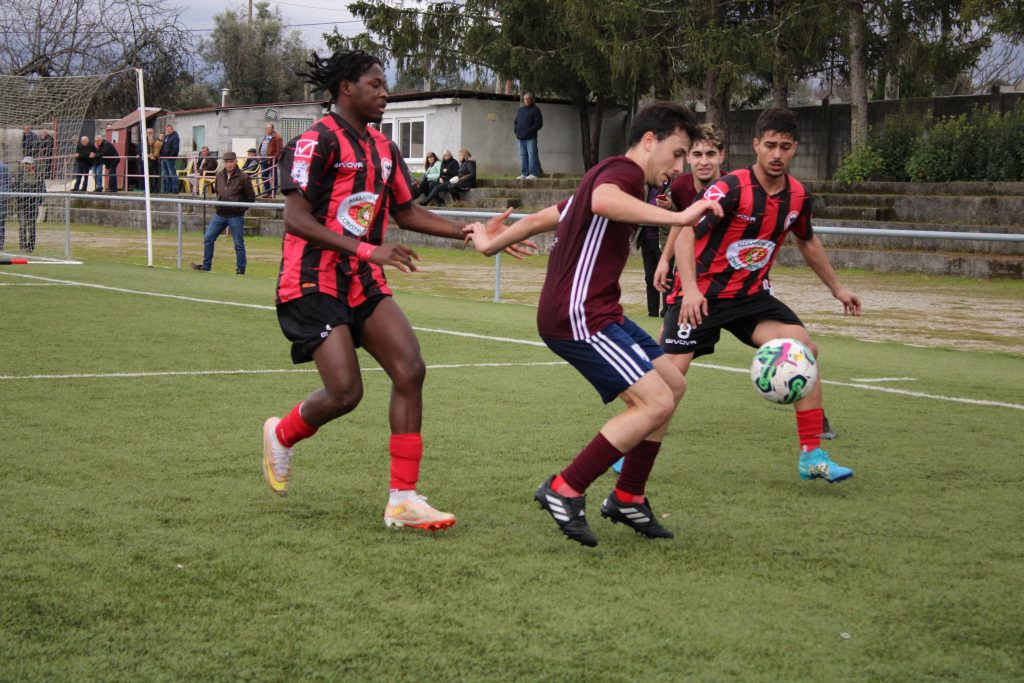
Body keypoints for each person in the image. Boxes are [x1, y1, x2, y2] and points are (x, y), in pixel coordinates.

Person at [263, 49, 527, 531]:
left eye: (385, 85)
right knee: (346, 393)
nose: (385, 93)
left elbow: (406, 213)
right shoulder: (312, 142)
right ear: (347, 88)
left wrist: (468, 232)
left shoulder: (384, 149)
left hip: (362, 278)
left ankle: (402, 499)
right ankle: (282, 432)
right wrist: (367, 251)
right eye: (376, 84)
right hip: (311, 279)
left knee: (410, 368)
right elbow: (296, 220)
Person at [468, 101, 724, 547]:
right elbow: (605, 202)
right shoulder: (621, 175)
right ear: (650, 142)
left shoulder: (610, 176)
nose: (680, 166)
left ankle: (628, 495)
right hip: (578, 314)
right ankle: (565, 488)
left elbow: (542, 217)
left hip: (600, 310)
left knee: (672, 387)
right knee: (654, 403)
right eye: (679, 153)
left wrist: (490, 245)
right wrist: (680, 217)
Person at [668, 107, 860, 483]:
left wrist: (838, 288)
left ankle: (812, 455)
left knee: (803, 349)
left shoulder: (799, 196)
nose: (776, 154)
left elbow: (807, 240)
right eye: (769, 145)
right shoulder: (731, 188)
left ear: (795, 150)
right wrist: (688, 290)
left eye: (785, 147)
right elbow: (687, 232)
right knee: (670, 377)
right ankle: (629, 447)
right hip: (701, 294)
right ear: (755, 145)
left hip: (749, 297)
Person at [190, 152, 255, 275]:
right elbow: (218, 192)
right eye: (226, 162)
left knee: (238, 244)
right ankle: (206, 265)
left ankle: (241, 269)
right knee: (208, 238)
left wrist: (240, 209)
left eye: (231, 162)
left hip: (235, 216)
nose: (229, 164)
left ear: (236, 162)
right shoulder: (219, 175)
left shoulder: (244, 178)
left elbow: (251, 198)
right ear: (223, 163)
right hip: (220, 214)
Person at [13, 157, 46, 252]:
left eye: (27, 164)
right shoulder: (20, 175)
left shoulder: (38, 175)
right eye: (25, 164)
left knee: (31, 227)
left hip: (32, 205)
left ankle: (30, 247)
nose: (26, 166)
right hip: (22, 204)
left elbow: (43, 190)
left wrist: (39, 202)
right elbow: (15, 187)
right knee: (22, 225)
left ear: (32, 165)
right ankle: (22, 246)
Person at [513, 91, 542, 180]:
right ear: (523, 100)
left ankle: (534, 173)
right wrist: (516, 131)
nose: (527, 100)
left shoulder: (536, 110)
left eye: (528, 99)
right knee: (523, 155)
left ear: (531, 100)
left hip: (531, 138)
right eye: (525, 99)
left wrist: (529, 131)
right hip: (521, 138)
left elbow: (538, 123)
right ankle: (524, 173)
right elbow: (516, 122)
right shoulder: (520, 110)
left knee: (532, 155)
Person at [258, 123, 283, 197]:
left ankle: (273, 193)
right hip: (263, 159)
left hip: (271, 160)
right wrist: (260, 154)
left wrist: (273, 158)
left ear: (273, 129)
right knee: (264, 175)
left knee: (273, 176)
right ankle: (267, 192)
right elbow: (263, 146)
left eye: (269, 128)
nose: (267, 129)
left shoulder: (277, 137)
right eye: (266, 128)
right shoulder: (266, 136)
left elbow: (279, 150)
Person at [160, 124, 180, 194]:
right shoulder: (166, 137)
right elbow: (163, 146)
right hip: (164, 158)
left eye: (169, 129)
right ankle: (167, 189)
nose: (168, 131)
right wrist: (161, 155)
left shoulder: (175, 137)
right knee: (166, 174)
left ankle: (175, 189)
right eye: (167, 129)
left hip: (170, 159)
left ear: (172, 129)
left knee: (172, 174)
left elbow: (175, 149)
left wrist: (170, 156)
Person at [145, 128, 161, 192]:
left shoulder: (156, 142)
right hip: (148, 160)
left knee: (155, 175)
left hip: (155, 160)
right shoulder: (145, 140)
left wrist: (151, 156)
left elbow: (156, 152)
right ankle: (149, 189)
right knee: (149, 175)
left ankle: (155, 189)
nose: (148, 134)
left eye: (150, 132)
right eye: (147, 132)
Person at [0, 159, 8, 250]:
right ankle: (1, 244)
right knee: (1, 222)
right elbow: (8, 182)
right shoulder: (5, 166)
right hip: (3, 196)